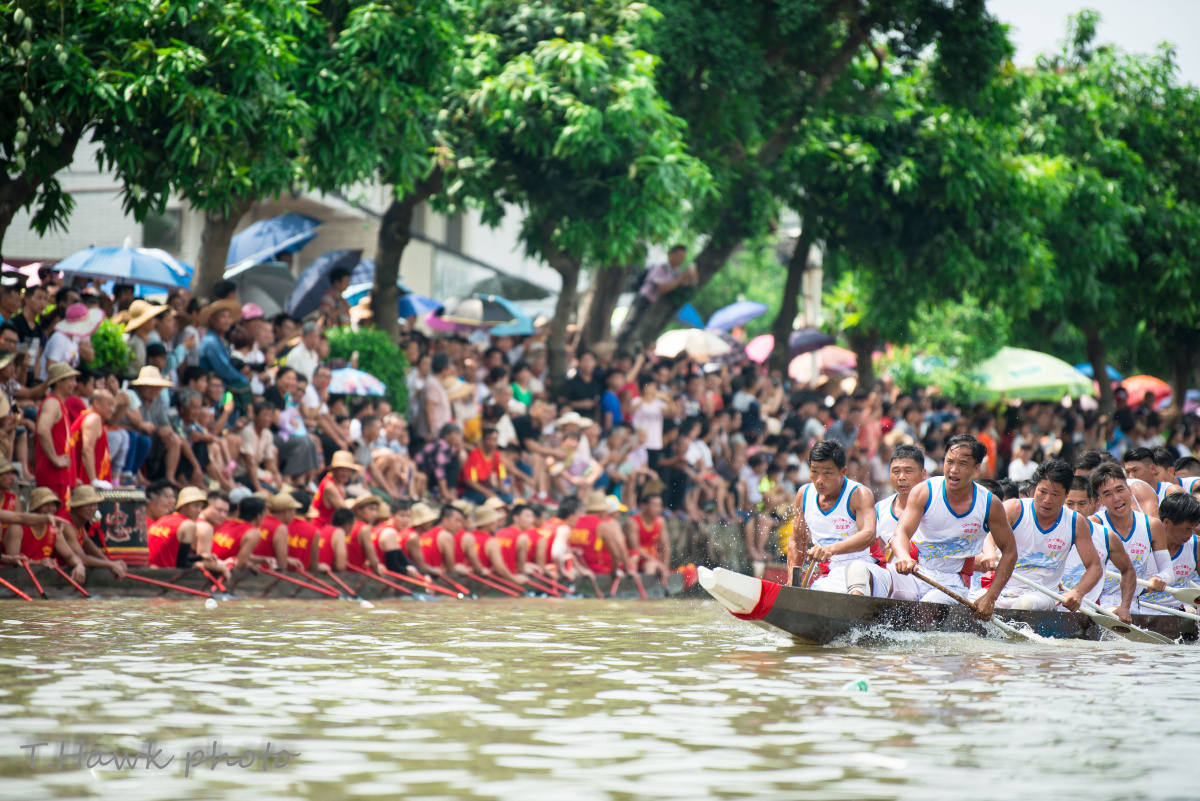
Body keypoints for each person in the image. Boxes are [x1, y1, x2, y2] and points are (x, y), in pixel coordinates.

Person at [888, 434, 1020, 618]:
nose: (953, 470)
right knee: (863, 572)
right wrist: (902, 556)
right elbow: (900, 532)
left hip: (953, 581)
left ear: (975, 469)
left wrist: (991, 597)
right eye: (949, 461)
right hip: (917, 571)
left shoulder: (990, 504)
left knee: (926, 608)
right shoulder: (924, 491)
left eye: (962, 464)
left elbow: (1010, 551)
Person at [975, 460, 1101, 612]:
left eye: (1055, 494)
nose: (1047, 500)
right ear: (1035, 488)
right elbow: (989, 538)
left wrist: (1077, 592)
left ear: (1066, 494)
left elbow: (1095, 566)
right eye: (1042, 492)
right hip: (1001, 590)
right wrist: (989, 553)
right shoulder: (1014, 509)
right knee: (971, 601)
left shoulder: (1076, 522)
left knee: (1025, 604)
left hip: (1042, 596)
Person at [785, 441, 888, 597]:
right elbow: (797, 541)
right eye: (814, 471)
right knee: (812, 598)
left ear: (843, 472)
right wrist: (793, 581)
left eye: (827, 473)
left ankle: (854, 608)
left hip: (870, 571)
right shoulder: (804, 494)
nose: (819, 479)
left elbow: (868, 535)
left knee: (856, 569)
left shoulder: (859, 494)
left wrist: (830, 549)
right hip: (831, 575)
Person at [1089, 461, 1169, 614]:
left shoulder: (1152, 525)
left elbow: (1167, 570)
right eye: (1107, 494)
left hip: (1133, 601)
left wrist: (1159, 577)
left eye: (1120, 490)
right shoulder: (1094, 525)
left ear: (1130, 490)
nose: (1116, 498)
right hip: (1097, 600)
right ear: (1100, 501)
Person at [1060, 475, 1136, 621]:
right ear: (1062, 502)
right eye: (1070, 504)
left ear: (1092, 503)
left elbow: (1128, 571)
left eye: (1082, 504)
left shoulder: (1107, 536)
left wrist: (1125, 606)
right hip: (1051, 606)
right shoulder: (1050, 530)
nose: (1076, 510)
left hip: (1087, 612)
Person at [872, 443, 927, 600]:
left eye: (908, 471)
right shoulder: (880, 509)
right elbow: (876, 554)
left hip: (929, 581)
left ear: (924, 474)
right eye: (896, 472)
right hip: (896, 583)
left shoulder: (936, 507)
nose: (901, 477)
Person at [1, 487, 84, 583]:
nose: (51, 508)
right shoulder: (17, 528)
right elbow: (12, 562)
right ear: (35, 507)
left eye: (53, 504)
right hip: (13, 582)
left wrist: (79, 565)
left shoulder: (53, 530)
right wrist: (38, 563)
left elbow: (70, 556)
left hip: (40, 582)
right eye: (46, 505)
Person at [617, 245, 696, 344]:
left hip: (651, 303)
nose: (681, 260)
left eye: (683, 258)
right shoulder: (660, 268)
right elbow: (663, 289)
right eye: (679, 256)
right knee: (629, 324)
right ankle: (616, 345)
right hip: (643, 299)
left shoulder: (676, 273)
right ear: (671, 254)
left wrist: (692, 277)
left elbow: (684, 285)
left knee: (638, 328)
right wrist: (681, 278)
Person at [147, 486, 230, 579]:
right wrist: (203, 564)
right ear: (184, 506)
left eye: (201, 507)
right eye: (195, 506)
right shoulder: (189, 525)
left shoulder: (164, 518)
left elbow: (180, 557)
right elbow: (182, 565)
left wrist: (201, 557)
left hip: (149, 569)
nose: (199, 510)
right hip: (164, 575)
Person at [1137, 491, 1200, 613]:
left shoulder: (1196, 545)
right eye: (1187, 529)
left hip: (1179, 613)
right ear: (1167, 522)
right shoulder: (1141, 543)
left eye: (1192, 529)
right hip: (1141, 610)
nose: (1190, 534)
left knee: (1190, 611)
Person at [35, 362, 78, 501]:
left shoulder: (59, 405)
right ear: (59, 381)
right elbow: (42, 430)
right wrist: (55, 459)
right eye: (71, 379)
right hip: (54, 477)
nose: (75, 384)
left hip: (61, 478)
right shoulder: (52, 403)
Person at [69, 388, 115, 487]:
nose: (112, 409)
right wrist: (94, 481)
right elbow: (87, 450)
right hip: (88, 485)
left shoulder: (85, 417)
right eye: (109, 404)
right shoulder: (93, 418)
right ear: (96, 403)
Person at [208, 495, 266, 570]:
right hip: (217, 571)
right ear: (258, 516)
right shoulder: (253, 533)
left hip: (209, 563)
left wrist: (262, 560)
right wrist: (249, 565)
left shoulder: (226, 521)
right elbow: (240, 563)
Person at [626, 490, 669, 587]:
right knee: (650, 566)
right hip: (635, 560)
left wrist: (665, 567)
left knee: (651, 565)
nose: (659, 509)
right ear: (644, 506)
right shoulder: (632, 523)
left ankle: (652, 590)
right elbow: (636, 548)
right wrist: (658, 563)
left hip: (651, 560)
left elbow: (665, 546)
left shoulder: (660, 522)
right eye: (655, 506)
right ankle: (648, 595)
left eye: (660, 505)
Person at [459, 426, 511, 505]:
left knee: (508, 498)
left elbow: (501, 476)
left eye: (495, 440)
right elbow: (469, 481)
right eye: (490, 439)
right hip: (474, 490)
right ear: (483, 440)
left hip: (488, 488)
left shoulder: (496, 454)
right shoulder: (474, 455)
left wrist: (504, 491)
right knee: (487, 500)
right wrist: (487, 493)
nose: (493, 443)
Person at [310, 451, 361, 528]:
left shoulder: (338, 482)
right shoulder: (330, 486)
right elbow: (345, 512)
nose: (345, 474)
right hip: (321, 527)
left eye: (348, 470)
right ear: (334, 470)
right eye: (341, 470)